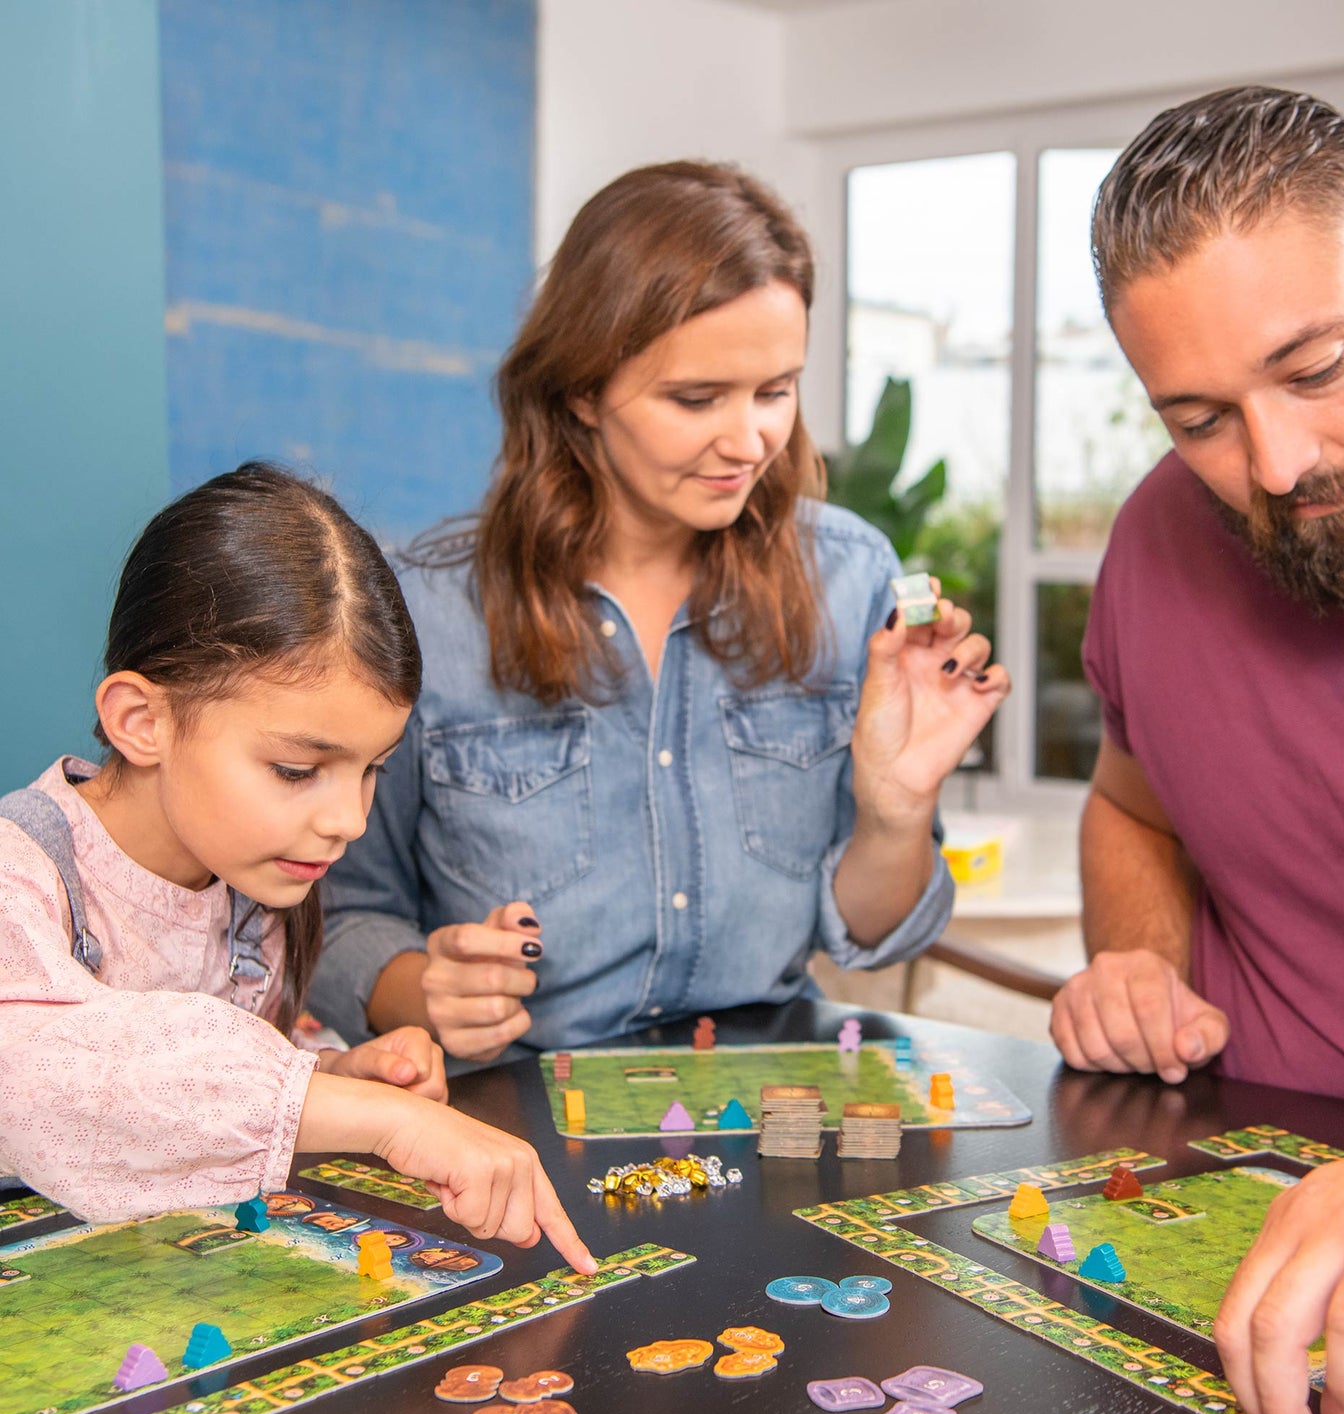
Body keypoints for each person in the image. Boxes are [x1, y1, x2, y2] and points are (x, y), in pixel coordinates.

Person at [313, 161, 1008, 1064]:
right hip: (512, 1107)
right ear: (580, 390)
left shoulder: (849, 578)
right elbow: (338, 912)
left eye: (775, 390)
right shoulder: (426, 608)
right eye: (695, 398)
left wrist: (894, 811)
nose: (750, 440)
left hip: (771, 1089)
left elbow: (876, 933)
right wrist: (421, 990)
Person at [1047, 87, 1344, 1414]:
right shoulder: (1157, 539)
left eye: (1317, 369)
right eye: (1199, 417)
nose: (1273, 465)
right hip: (1231, 1222)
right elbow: (1132, 803)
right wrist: (1140, 960)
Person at [0, 463, 594, 1276]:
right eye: (294, 769)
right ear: (142, 721)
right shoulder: (19, 870)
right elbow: (42, 1076)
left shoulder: (249, 875)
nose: (348, 820)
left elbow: (200, 1100)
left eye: (371, 768)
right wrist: (367, 1116)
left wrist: (330, 1074)